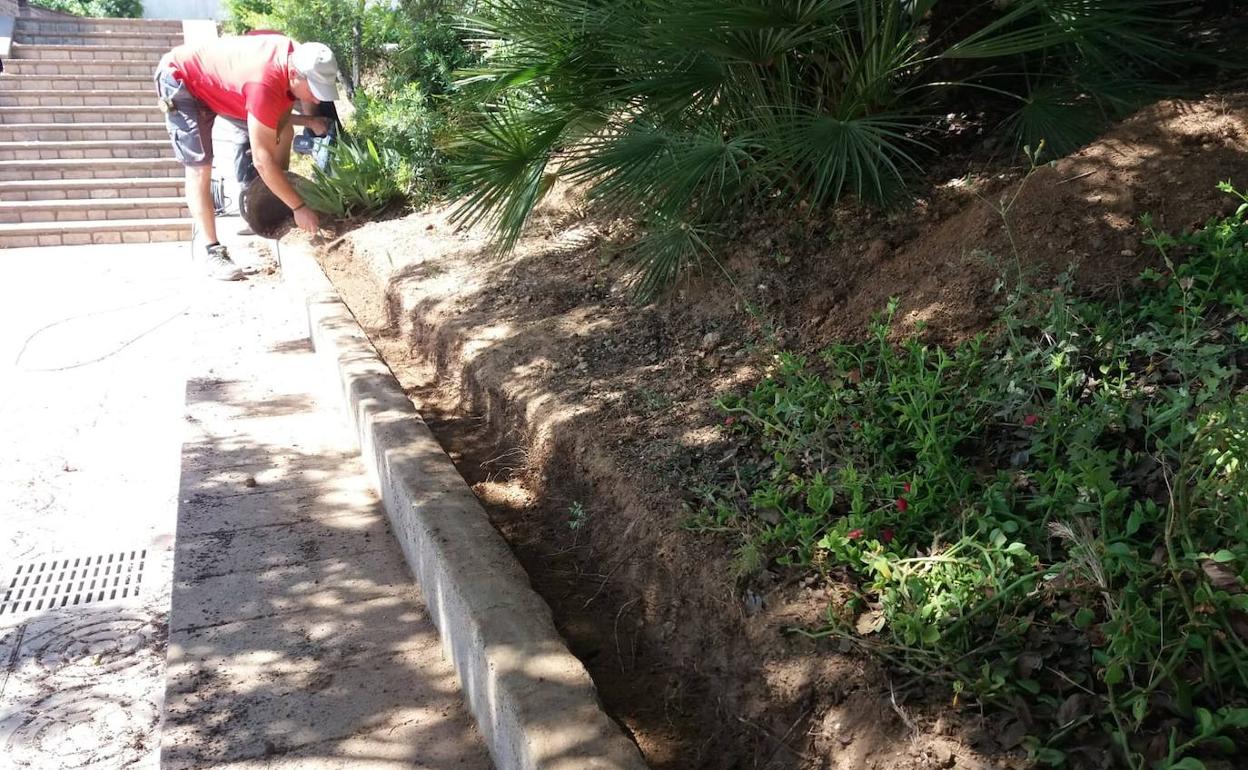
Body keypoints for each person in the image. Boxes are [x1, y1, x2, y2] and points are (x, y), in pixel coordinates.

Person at [154, 35, 337, 280]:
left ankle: (273, 200)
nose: (316, 98)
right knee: (200, 167)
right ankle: (212, 251)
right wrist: (299, 206)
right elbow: (262, 159)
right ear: (294, 74)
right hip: (182, 81)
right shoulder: (264, 83)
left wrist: (309, 121)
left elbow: (277, 117)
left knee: (283, 130)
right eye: (314, 89)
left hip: (221, 86)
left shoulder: (298, 54)